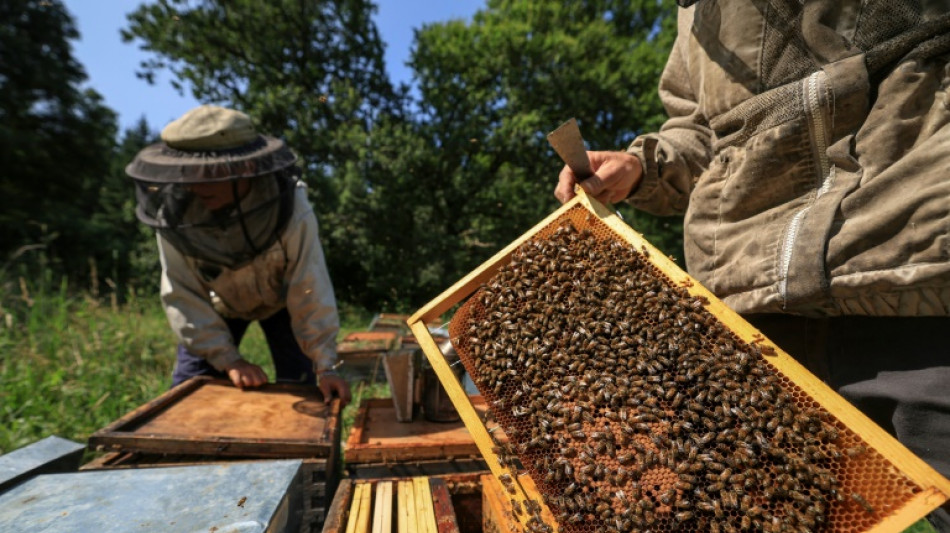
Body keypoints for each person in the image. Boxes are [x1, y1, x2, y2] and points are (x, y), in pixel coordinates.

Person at [555, 0, 950, 528]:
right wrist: (646, 165)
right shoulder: (692, 12)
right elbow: (703, 130)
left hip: (907, 264)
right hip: (748, 310)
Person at [126, 105, 350, 405]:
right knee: (188, 397)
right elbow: (183, 293)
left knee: (303, 391)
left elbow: (309, 281)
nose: (197, 182)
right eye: (190, 170)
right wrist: (229, 360)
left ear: (244, 167)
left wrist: (326, 364)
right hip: (216, 307)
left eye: (211, 170)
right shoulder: (175, 215)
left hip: (282, 304)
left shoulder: (290, 204)